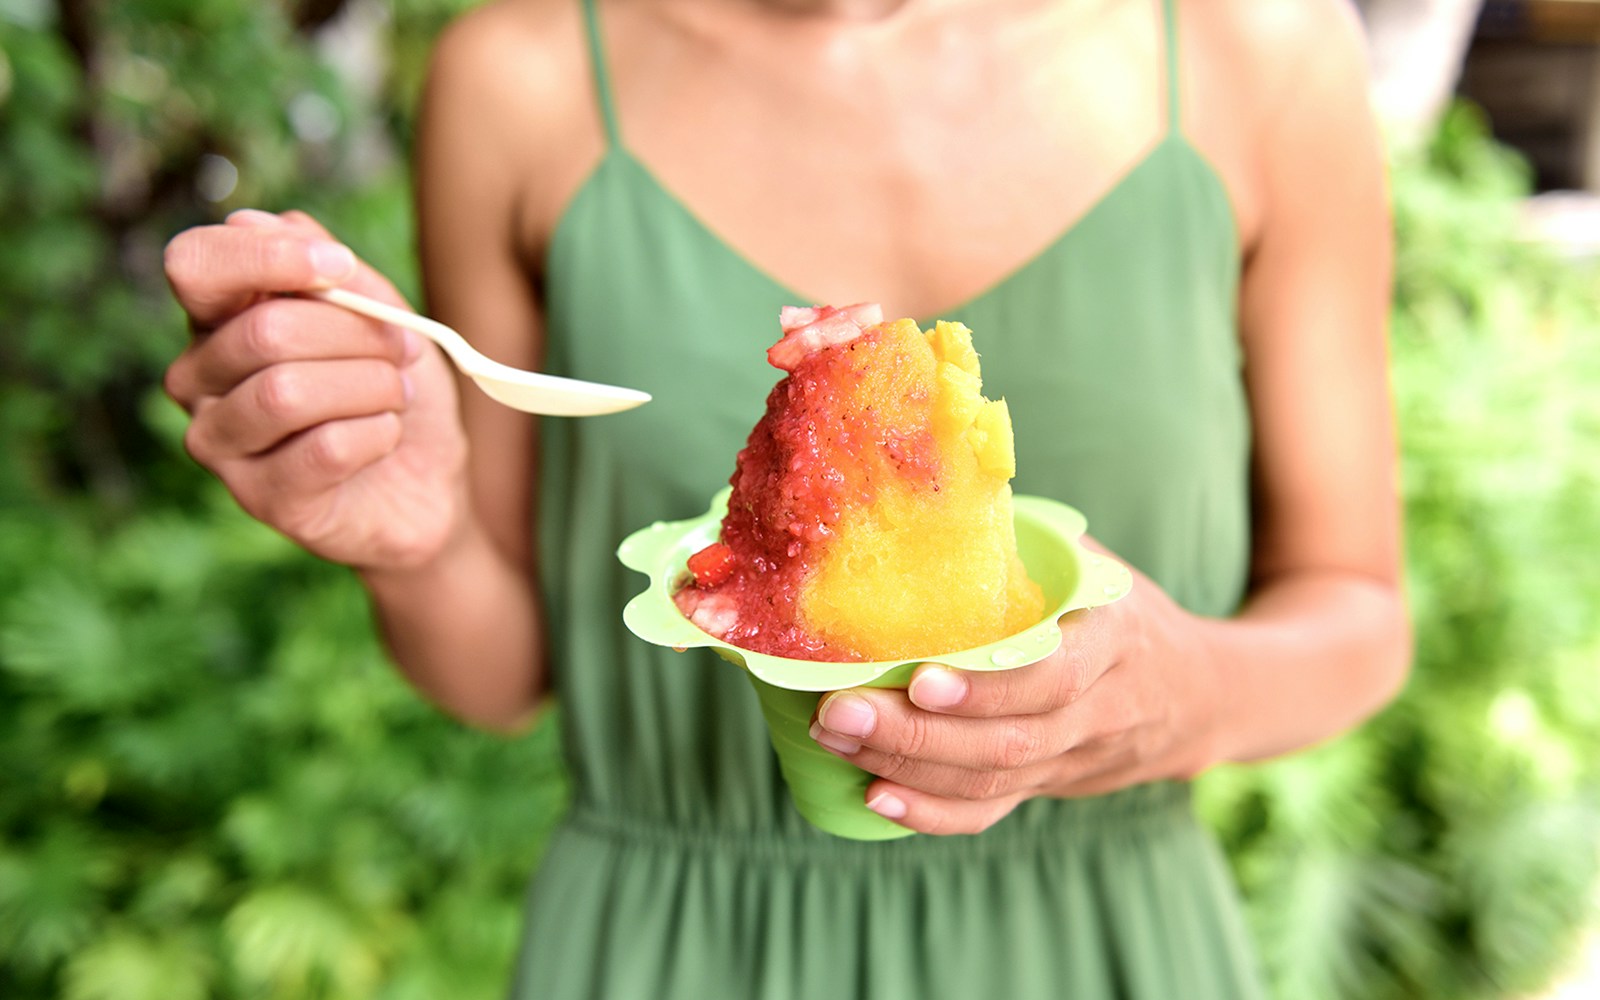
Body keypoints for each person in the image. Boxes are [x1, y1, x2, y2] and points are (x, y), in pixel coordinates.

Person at [162, 0, 1410, 995]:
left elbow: (1356, 608)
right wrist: (416, 540)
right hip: (672, 947)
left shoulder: (1259, 50)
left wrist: (1183, 696)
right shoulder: (522, 78)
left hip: (1100, 942)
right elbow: (503, 675)